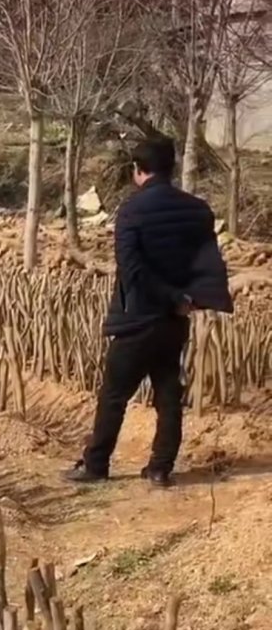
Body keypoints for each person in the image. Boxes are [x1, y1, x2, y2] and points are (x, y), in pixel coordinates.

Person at [65, 135, 232, 489]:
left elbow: (132, 270)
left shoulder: (132, 211)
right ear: (170, 169)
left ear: (138, 172)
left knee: (114, 394)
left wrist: (171, 296)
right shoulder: (198, 210)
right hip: (175, 319)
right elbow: (208, 263)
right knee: (168, 393)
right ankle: (160, 468)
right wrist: (190, 299)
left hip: (139, 317)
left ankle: (96, 465)